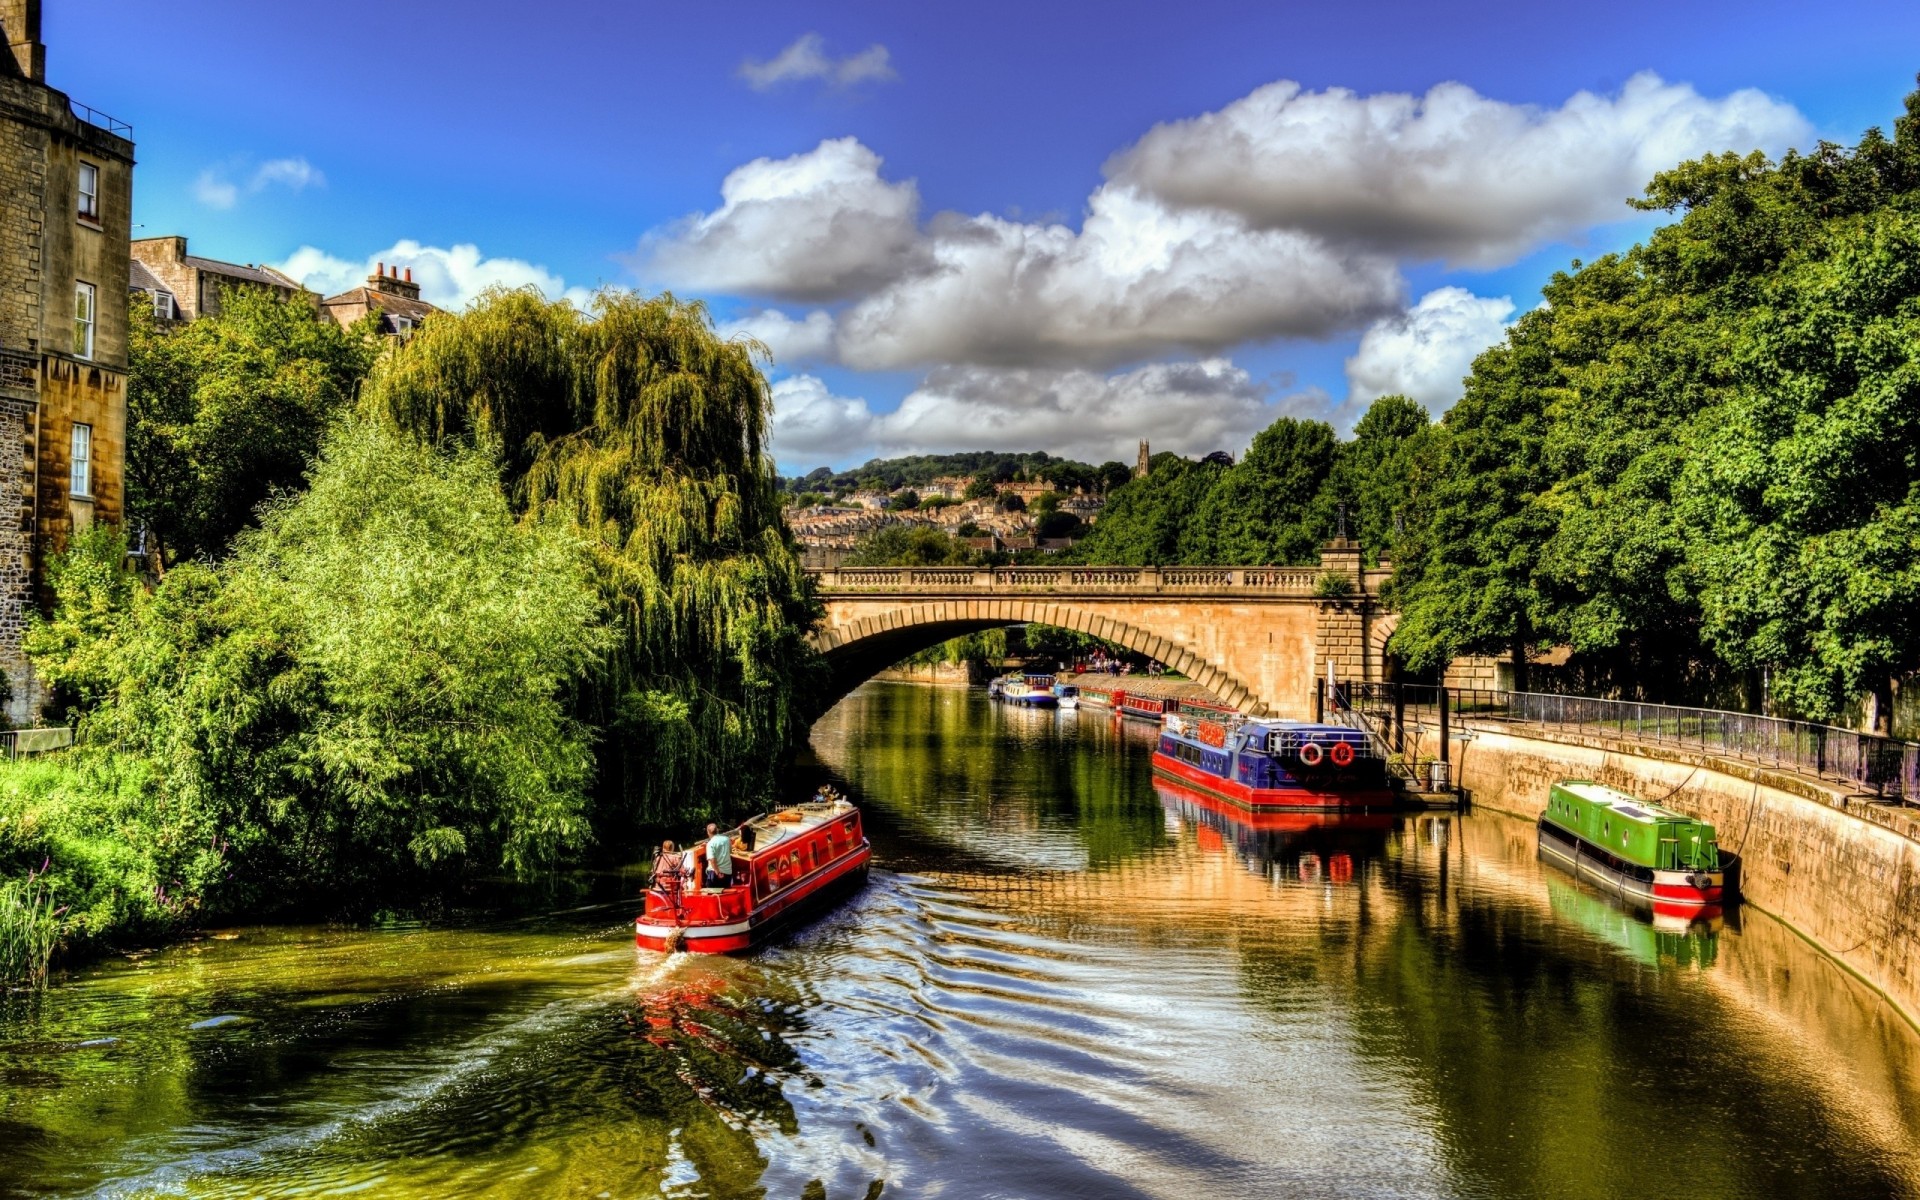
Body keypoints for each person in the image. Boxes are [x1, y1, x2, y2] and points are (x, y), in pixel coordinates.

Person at [704, 822, 734, 888]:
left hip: (715, 873)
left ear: (708, 833)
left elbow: (712, 860)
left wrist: (718, 873)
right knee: (726, 893)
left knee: (712, 894)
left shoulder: (710, 843)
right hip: (727, 872)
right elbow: (730, 851)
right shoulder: (727, 839)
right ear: (717, 830)